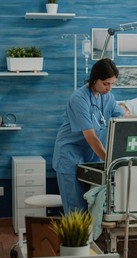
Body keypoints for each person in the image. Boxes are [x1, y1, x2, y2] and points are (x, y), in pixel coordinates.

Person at [52, 58, 125, 214]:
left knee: (91, 206)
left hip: (92, 158)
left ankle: (90, 239)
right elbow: (91, 138)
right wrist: (111, 162)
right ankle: (76, 239)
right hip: (70, 156)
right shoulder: (79, 99)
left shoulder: (107, 97)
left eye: (112, 84)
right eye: (106, 83)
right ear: (94, 79)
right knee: (76, 210)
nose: (109, 88)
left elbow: (122, 117)